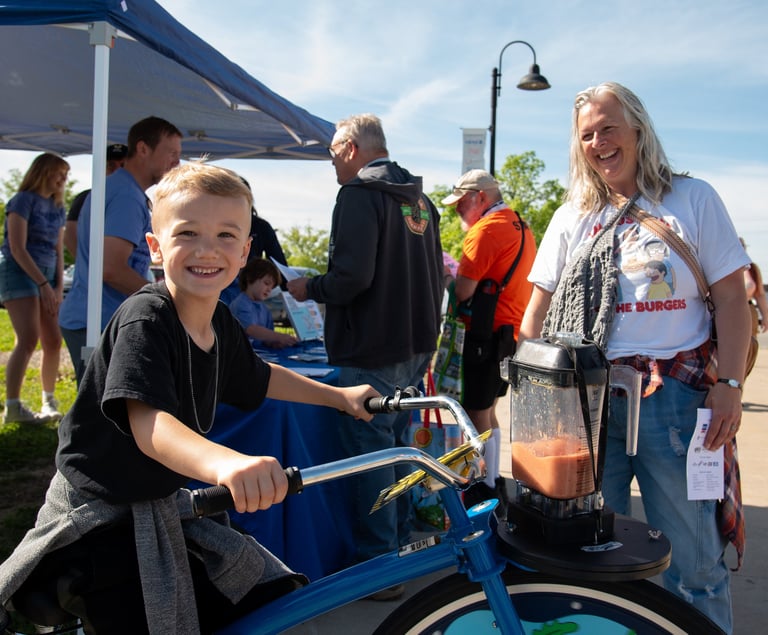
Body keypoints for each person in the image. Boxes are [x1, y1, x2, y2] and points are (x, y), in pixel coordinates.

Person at [0, 162, 379, 633]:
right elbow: (149, 424)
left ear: (245, 252)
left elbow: (260, 377)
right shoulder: (147, 317)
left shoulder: (219, 320)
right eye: (188, 233)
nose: (207, 249)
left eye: (225, 236)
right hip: (100, 518)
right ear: (155, 248)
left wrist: (339, 396)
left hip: (164, 503)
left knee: (267, 595)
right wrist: (225, 464)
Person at [518, 81, 750, 633]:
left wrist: (732, 386)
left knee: (695, 566)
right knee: (584, 556)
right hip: (588, 407)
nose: (599, 142)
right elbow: (534, 318)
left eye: (608, 127)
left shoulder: (693, 199)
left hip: (678, 402)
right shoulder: (572, 216)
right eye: (588, 135)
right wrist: (537, 394)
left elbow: (733, 303)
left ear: (638, 129)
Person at [287, 114, 443, 598]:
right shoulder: (420, 200)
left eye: (333, 151)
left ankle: (377, 567)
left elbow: (351, 278)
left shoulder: (358, 195)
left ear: (352, 148)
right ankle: (398, 548)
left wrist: (306, 286)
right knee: (395, 448)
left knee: (371, 456)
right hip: (414, 345)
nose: (331, 161)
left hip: (371, 347)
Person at [59, 117, 182, 384]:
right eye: (171, 153)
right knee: (102, 418)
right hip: (98, 321)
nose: (176, 163)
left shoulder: (118, 188)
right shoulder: (127, 196)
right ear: (142, 149)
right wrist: (168, 301)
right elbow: (111, 269)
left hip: (92, 316)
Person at [440, 170, 536, 511]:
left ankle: (484, 487)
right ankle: (493, 481)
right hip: (507, 333)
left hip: (482, 334)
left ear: (479, 197)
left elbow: (464, 289)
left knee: (475, 413)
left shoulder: (485, 230)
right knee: (488, 411)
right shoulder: (520, 226)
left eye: (460, 205)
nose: (458, 213)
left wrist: (446, 275)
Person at [0, 153, 69, 424]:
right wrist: (42, 283)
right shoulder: (22, 201)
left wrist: (57, 284)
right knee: (28, 338)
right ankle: (12, 406)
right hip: (19, 273)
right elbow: (17, 247)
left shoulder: (57, 206)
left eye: (66, 174)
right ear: (44, 172)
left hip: (48, 278)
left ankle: (49, 400)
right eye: (59, 173)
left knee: (52, 340)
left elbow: (58, 248)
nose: (63, 179)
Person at [219, 176, 288, 305]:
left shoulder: (261, 227)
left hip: (246, 291)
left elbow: (279, 265)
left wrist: (264, 285)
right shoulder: (213, 224)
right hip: (218, 286)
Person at [63, 143, 128, 257]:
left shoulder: (136, 199)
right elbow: (70, 236)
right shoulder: (87, 197)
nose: (116, 171)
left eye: (122, 165)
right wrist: (89, 267)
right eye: (110, 165)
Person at [229, 257, 297, 348]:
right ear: (250, 278)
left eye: (272, 287)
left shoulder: (265, 310)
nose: (269, 290)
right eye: (266, 283)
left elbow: (266, 338)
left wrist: (275, 343)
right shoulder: (241, 304)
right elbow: (251, 329)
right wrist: (279, 336)